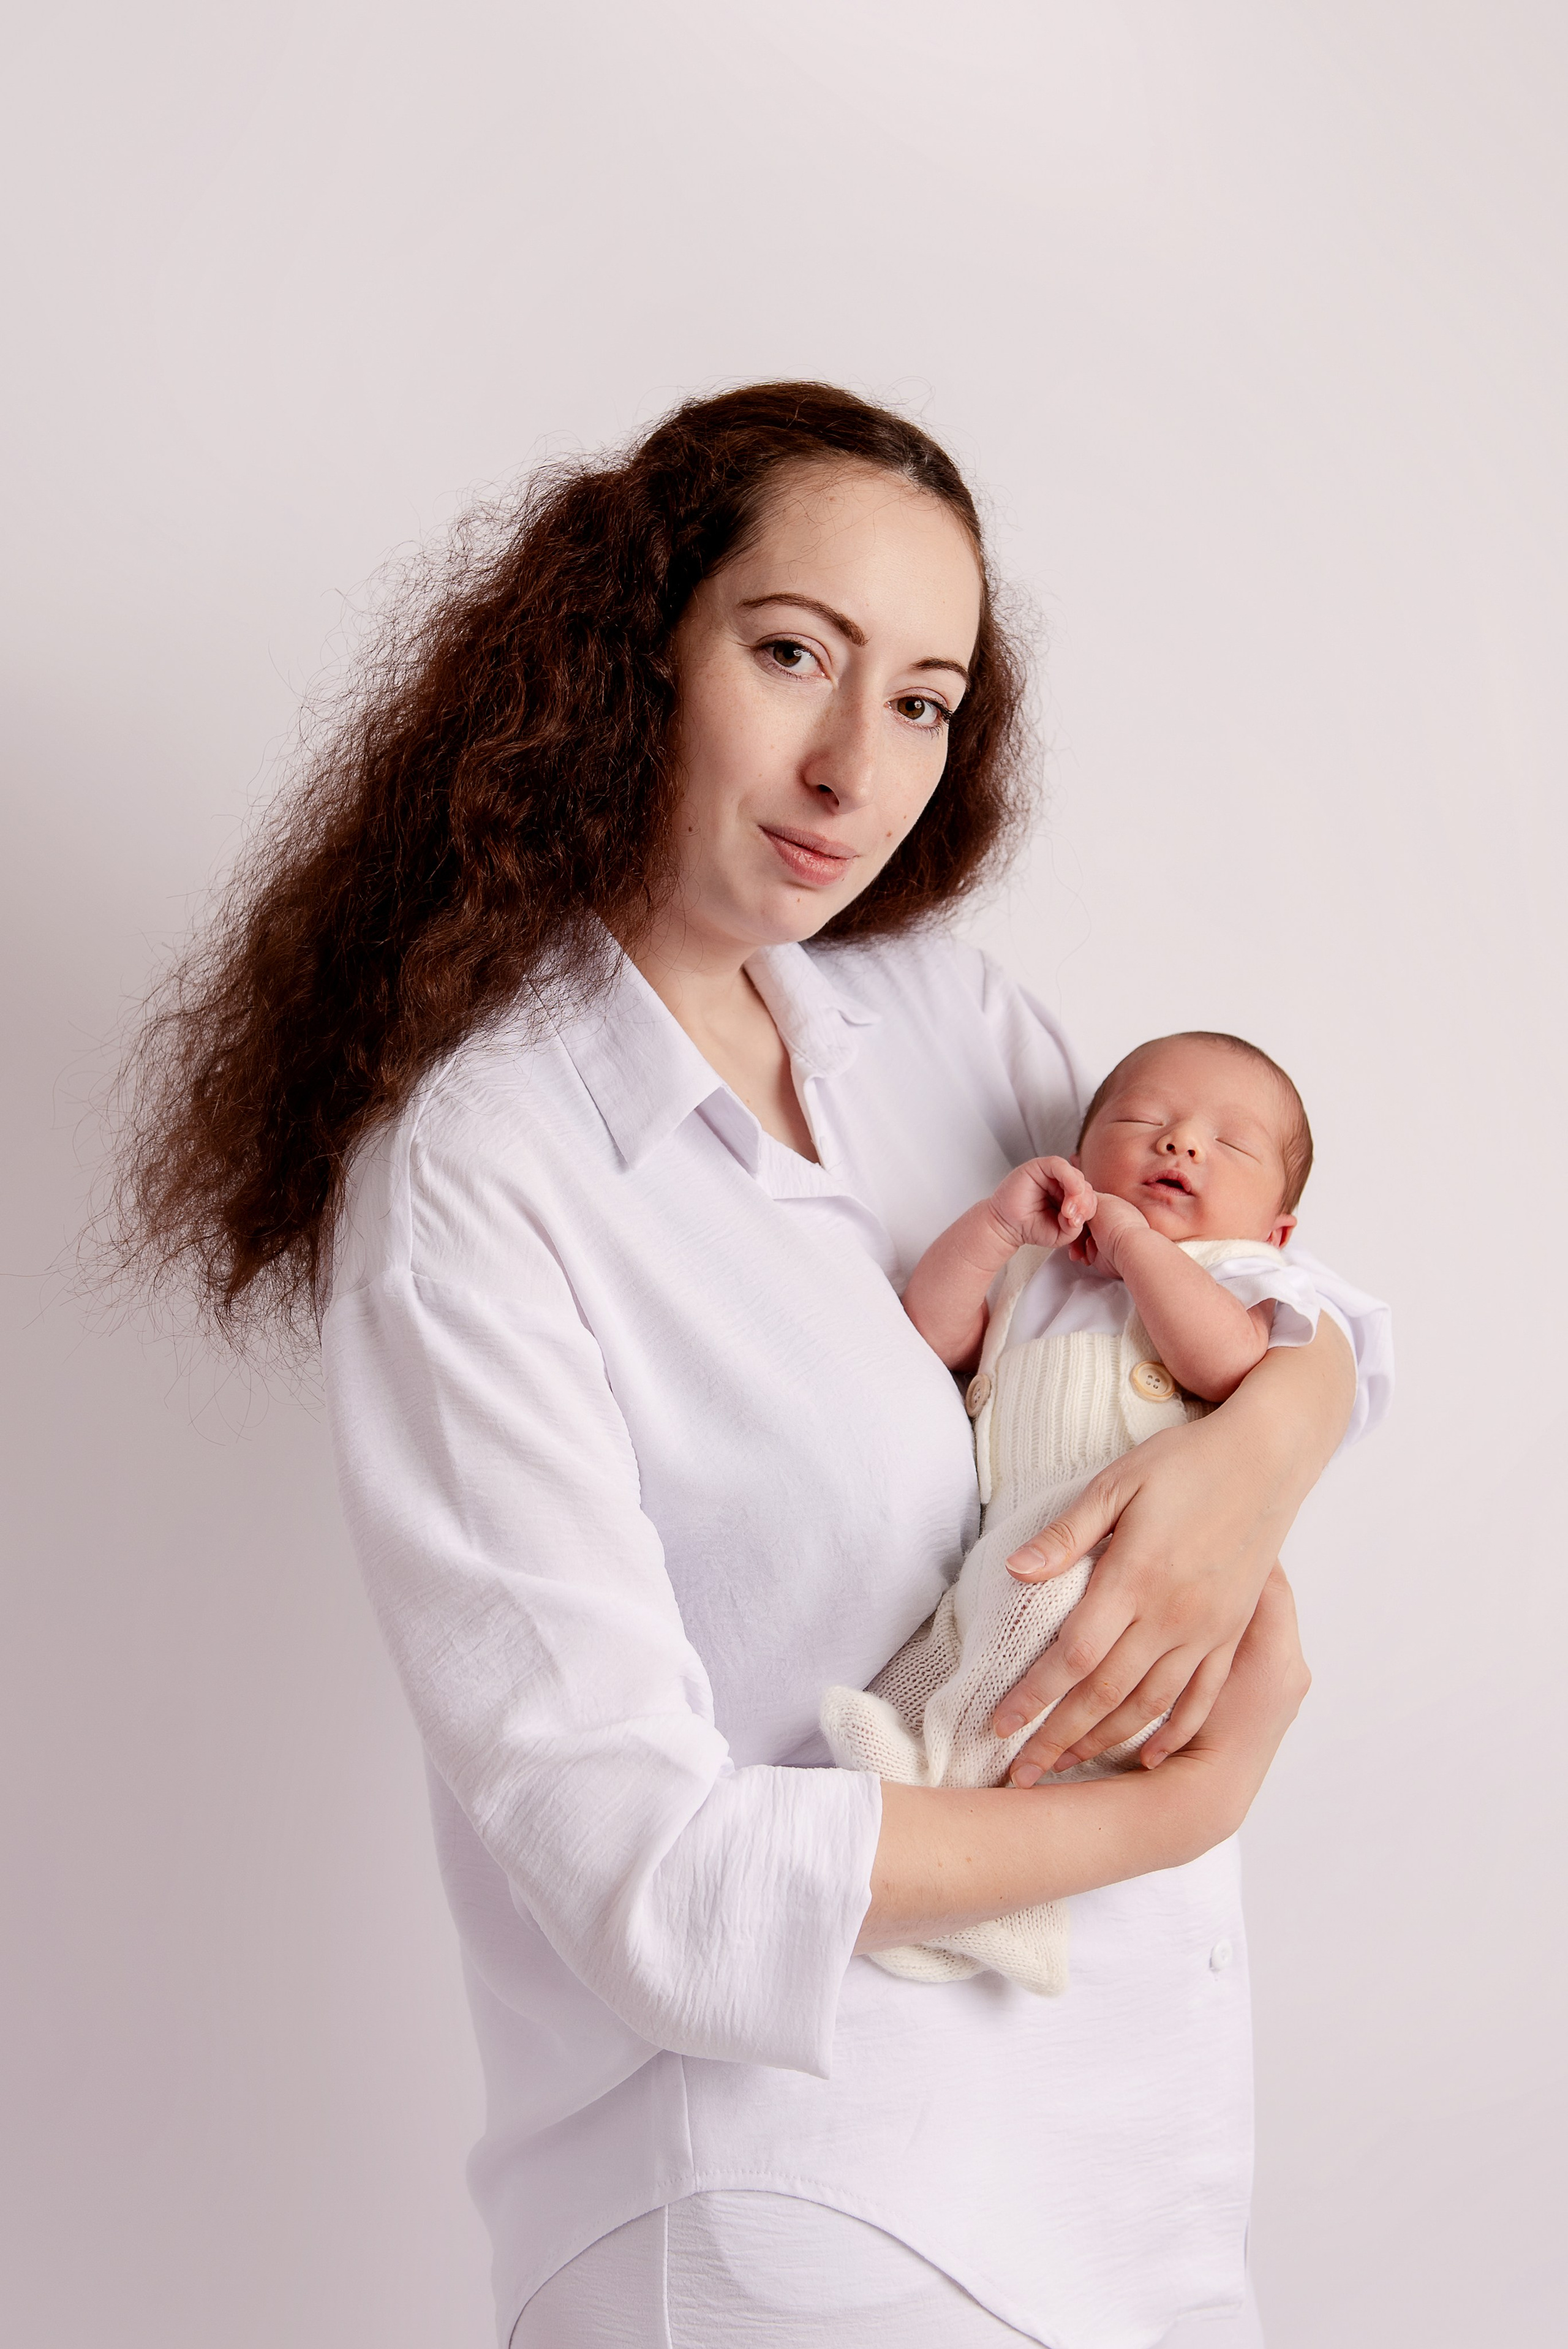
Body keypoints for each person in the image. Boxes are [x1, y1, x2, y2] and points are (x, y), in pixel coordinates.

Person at [115, 383, 1369, 2348]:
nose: (850, 766)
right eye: (794, 652)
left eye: (924, 701)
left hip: (1140, 2186)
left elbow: (1266, 1275)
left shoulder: (950, 1023)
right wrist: (1171, 1809)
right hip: (806, 2222)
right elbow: (654, 1887)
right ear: (635, 654)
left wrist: (1274, 1438)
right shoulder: (482, 1179)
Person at [824, 1030, 1392, 1996]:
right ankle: (937, 1791)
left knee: (1045, 1617)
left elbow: (1223, 1363)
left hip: (1137, 1560)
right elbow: (934, 1332)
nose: (1181, 1147)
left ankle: (968, 1829)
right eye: (1146, 1124)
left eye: (1229, 1144)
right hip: (1018, 1542)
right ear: (1081, 1160)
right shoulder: (1037, 1271)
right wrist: (998, 1232)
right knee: (969, 1626)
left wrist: (1132, 1244)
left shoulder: (1248, 1278)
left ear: (1280, 1230)